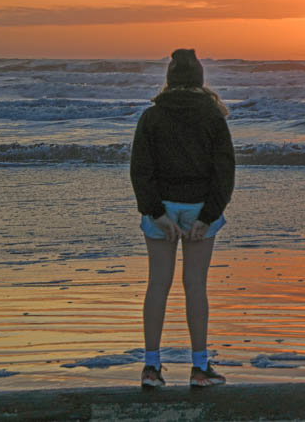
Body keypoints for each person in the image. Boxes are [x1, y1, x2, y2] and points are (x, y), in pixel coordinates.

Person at [130, 49, 235, 388]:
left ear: (170, 79)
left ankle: (151, 367)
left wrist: (155, 212)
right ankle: (199, 367)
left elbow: (140, 170)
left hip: (162, 206)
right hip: (198, 207)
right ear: (199, 79)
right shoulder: (213, 116)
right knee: (195, 286)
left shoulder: (152, 117)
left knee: (158, 285)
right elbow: (224, 172)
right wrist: (208, 216)